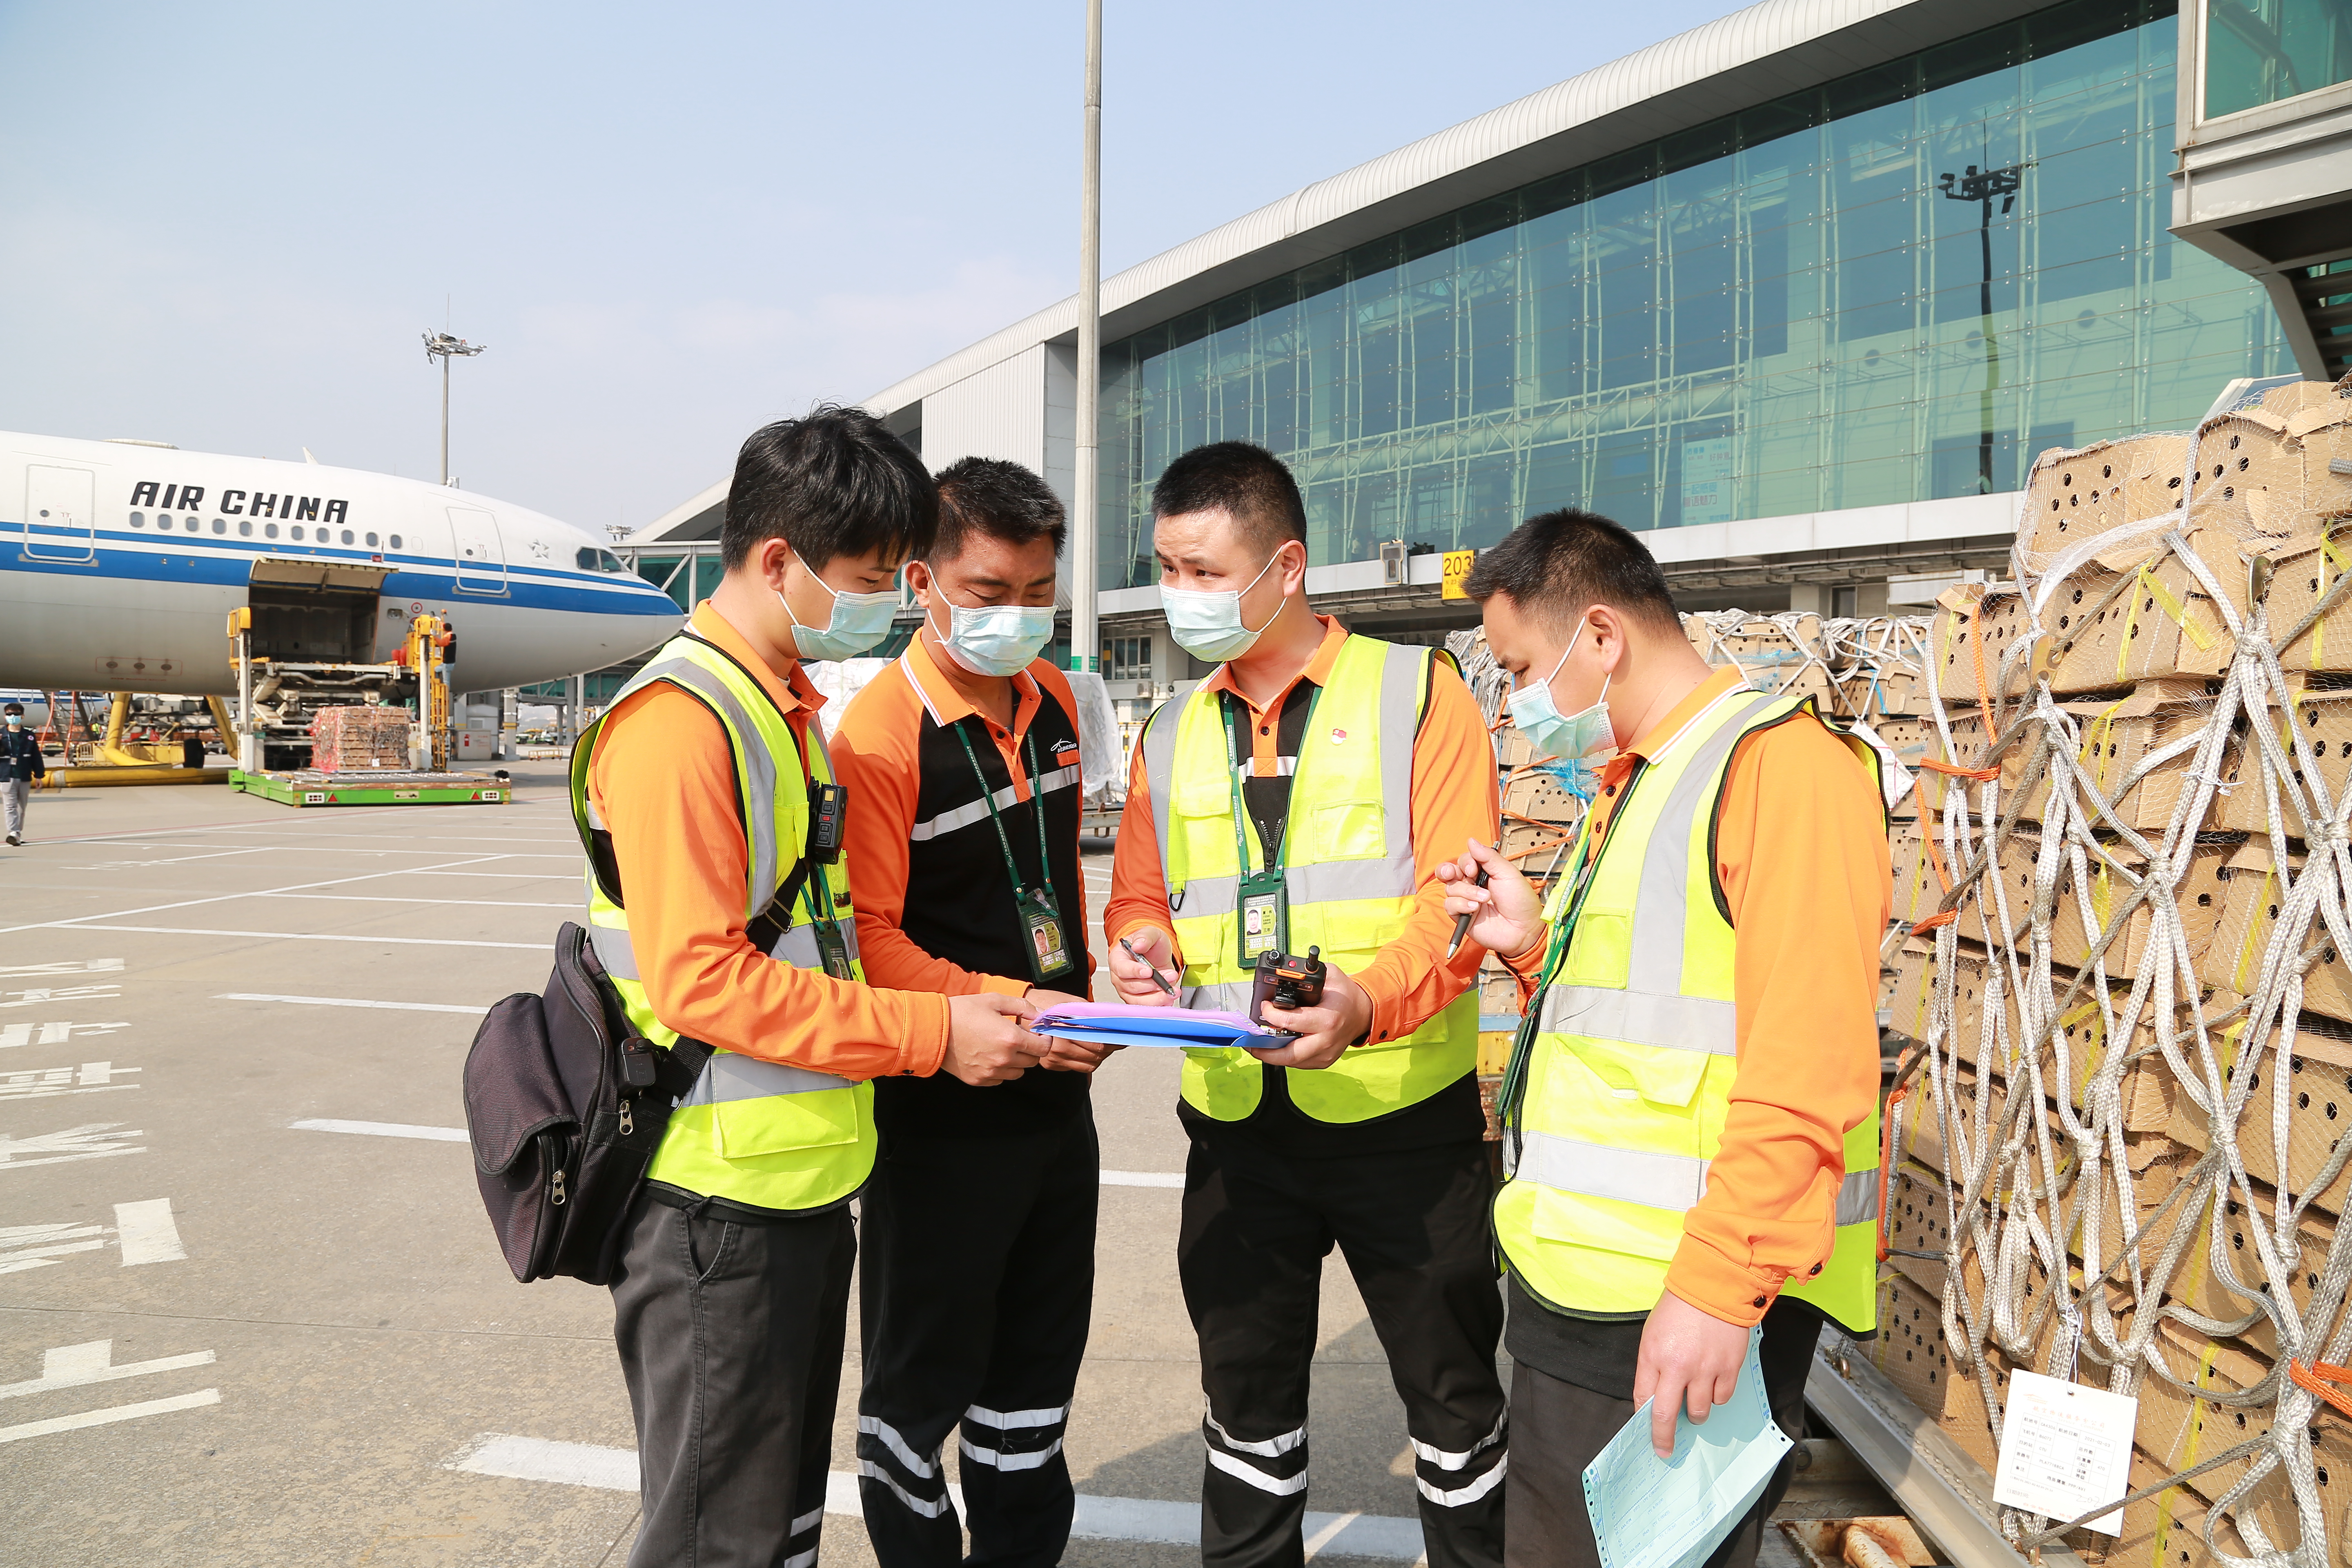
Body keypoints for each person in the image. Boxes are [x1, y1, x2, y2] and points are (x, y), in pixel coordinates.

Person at [571, 408, 1052, 1568]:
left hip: (789, 1190)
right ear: (778, 560)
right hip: (712, 1210)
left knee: (774, 1531)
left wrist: (983, 1005)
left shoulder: (779, 708)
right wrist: (935, 1033)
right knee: (715, 1542)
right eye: (871, 577)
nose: (889, 602)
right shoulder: (684, 724)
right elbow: (702, 982)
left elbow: (828, 945)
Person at [1435, 510, 1888, 1568]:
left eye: (1519, 669)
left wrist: (1717, 1287)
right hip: (1593, 1288)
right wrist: (1534, 946)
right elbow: (1658, 1018)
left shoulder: (1784, 771)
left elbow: (1808, 1060)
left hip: (1673, 1298)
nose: (1514, 706)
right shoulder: (1640, 779)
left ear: (1601, 637)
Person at [1103, 441, 1506, 1568]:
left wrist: (1365, 1005)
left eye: (1200, 568)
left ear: (1287, 564)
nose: (1178, 594)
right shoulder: (1171, 729)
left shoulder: (1418, 694)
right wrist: (1137, 945)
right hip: (1235, 1127)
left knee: (1457, 1416)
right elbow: (1143, 892)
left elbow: (1460, 908)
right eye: (1165, 567)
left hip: (1399, 1125)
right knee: (1246, 1418)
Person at [833, 456, 1111, 1568]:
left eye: (1038, 592)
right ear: (923, 580)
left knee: (1033, 1391)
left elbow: (1056, 884)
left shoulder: (1052, 701)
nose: (1017, 616)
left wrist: (1104, 990)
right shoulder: (878, 736)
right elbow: (873, 942)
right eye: (990, 593)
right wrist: (1012, 1004)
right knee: (919, 1390)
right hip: (940, 1114)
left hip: (1056, 1101)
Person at [2, 702, 44, 845]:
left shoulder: (29, 736)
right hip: (6, 776)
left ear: (23, 716)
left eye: (16, 715)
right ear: (5, 716)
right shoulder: (1, 735)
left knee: (22, 807)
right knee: (10, 806)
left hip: (24, 775)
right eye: (9, 715)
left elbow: (36, 757)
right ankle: (13, 832)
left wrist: (39, 775)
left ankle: (17, 833)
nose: (13, 717)